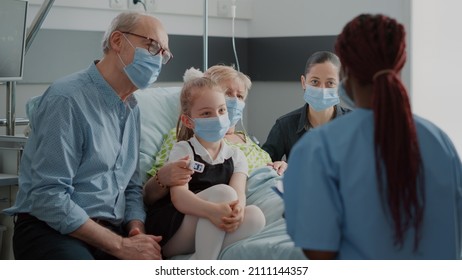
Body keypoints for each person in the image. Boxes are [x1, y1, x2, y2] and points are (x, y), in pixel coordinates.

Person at [284, 14, 462, 260]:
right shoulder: (440, 142)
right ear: (400, 64)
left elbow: (319, 254)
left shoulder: (320, 148)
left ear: (345, 71)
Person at [3, 11, 172, 260]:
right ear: (117, 41)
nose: (158, 58)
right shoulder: (67, 99)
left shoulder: (131, 108)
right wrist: (121, 246)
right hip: (50, 230)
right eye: (152, 46)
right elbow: (48, 196)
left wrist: (136, 230)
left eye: (164, 54)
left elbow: (131, 187)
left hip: (109, 232)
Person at [145, 77, 265, 259]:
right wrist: (212, 211)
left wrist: (238, 210)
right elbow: (180, 198)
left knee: (256, 216)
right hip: (174, 227)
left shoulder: (236, 156)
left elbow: (239, 193)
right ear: (188, 121)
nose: (217, 117)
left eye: (222, 110)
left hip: (208, 227)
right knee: (224, 194)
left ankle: (200, 257)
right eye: (206, 114)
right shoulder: (184, 149)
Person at [143, 65, 287, 206]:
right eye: (228, 93)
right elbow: (153, 192)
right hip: (235, 202)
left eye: (240, 96)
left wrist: (279, 167)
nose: (235, 101)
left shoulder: (247, 140)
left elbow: (265, 171)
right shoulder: (185, 139)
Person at [262, 51, 350, 162]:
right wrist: (281, 167)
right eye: (315, 81)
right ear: (304, 82)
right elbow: (262, 164)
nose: (322, 89)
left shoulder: (355, 124)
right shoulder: (285, 125)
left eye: (330, 83)